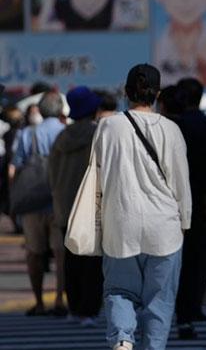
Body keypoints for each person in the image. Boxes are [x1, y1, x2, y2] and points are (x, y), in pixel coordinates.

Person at [95, 64, 191, 350]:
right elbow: (181, 183)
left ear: (126, 92)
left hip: (120, 221)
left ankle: (123, 339)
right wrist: (184, 221)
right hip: (164, 226)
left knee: (118, 291)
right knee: (160, 299)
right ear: (158, 95)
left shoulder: (108, 126)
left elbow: (97, 177)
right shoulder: (171, 130)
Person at [174, 78, 206, 339]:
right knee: (202, 256)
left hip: (177, 199)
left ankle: (181, 306)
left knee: (179, 257)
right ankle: (195, 304)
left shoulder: (175, 126)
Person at [48, 86, 103, 327]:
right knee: (92, 262)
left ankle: (74, 307)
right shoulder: (98, 134)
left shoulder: (62, 137)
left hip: (65, 207)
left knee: (71, 260)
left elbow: (52, 174)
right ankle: (88, 310)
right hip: (91, 207)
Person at [9, 91, 66, 316]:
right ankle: (61, 299)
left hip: (32, 203)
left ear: (40, 111)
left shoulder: (27, 134)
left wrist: (15, 200)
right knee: (61, 254)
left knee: (34, 253)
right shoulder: (65, 132)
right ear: (60, 110)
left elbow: (15, 167)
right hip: (59, 201)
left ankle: (39, 301)